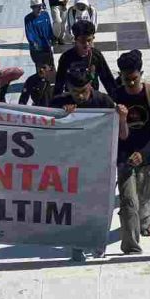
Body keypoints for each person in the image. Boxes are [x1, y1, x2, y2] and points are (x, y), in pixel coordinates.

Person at [50, 64, 119, 262]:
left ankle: (97, 242)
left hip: (99, 164)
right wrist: (63, 118)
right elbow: (46, 129)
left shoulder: (103, 102)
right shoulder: (58, 103)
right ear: (67, 89)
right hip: (72, 165)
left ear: (91, 85)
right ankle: (77, 244)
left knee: (99, 208)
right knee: (76, 208)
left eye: (83, 91)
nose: (79, 96)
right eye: (74, 92)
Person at [113, 50, 150, 255]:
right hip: (124, 158)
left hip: (148, 156)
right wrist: (121, 118)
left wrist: (144, 153)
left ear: (141, 74)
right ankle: (131, 247)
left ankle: (145, 221)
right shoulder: (117, 97)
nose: (130, 84)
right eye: (126, 79)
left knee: (145, 195)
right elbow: (117, 135)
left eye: (134, 79)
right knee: (129, 201)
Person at [54, 20, 117, 96]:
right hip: (73, 98)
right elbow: (59, 83)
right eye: (83, 41)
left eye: (89, 40)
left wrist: (117, 100)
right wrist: (57, 102)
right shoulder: (66, 57)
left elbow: (108, 80)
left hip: (91, 98)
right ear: (76, 40)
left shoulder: (96, 56)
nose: (86, 44)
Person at [25, 0, 55, 68]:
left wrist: (52, 38)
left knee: (51, 67)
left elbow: (49, 27)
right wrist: (33, 43)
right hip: (37, 49)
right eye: (37, 7)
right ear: (32, 8)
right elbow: (29, 32)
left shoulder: (45, 14)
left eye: (40, 6)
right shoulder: (28, 18)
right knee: (41, 70)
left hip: (47, 46)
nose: (40, 8)